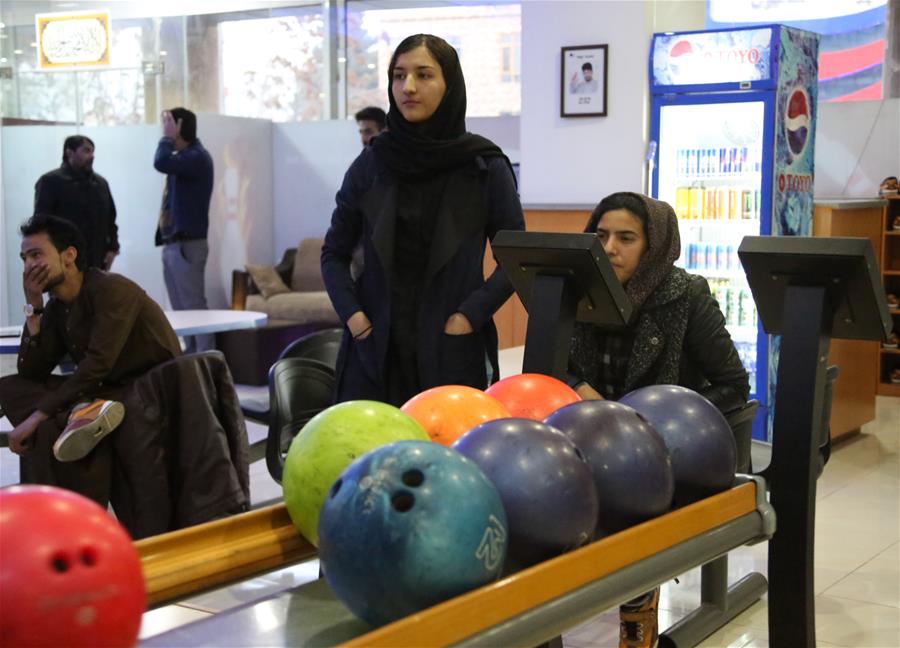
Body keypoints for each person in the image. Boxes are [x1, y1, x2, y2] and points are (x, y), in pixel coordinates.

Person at [566, 192, 750, 648]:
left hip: (664, 451)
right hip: (589, 438)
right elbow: (558, 368)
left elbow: (733, 384)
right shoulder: (577, 291)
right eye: (601, 235)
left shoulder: (685, 295)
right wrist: (576, 390)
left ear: (655, 246)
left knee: (631, 499)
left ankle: (636, 614)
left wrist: (659, 423)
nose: (609, 248)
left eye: (626, 238)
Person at [321, 33, 525, 407]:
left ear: (450, 84)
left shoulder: (484, 165)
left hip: (451, 344)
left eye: (424, 75)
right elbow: (333, 253)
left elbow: (517, 259)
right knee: (372, 459)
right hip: (376, 347)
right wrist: (355, 318)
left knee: (450, 453)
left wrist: (469, 316)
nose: (408, 87)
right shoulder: (372, 163)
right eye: (398, 76)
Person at [0, 215, 182, 507]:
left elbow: (98, 364)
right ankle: (52, 510)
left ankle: (81, 418)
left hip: (147, 390)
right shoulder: (60, 307)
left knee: (44, 423)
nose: (28, 266)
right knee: (11, 389)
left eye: (36, 255)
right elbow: (31, 371)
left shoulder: (112, 289)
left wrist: (37, 416)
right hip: (102, 392)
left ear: (69, 255)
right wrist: (33, 307)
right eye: (24, 258)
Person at [154, 107, 215, 353]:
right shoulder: (184, 158)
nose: (165, 128)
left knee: (195, 310)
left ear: (180, 126)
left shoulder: (197, 157)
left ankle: (208, 365)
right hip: (174, 244)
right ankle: (190, 365)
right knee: (182, 313)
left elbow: (161, 161)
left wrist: (167, 138)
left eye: (169, 124)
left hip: (188, 246)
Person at [34, 135, 120, 270]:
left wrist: (113, 249)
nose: (92, 156)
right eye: (86, 151)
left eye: (92, 151)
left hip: (97, 262)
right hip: (64, 262)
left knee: (98, 291)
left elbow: (110, 220)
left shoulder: (101, 184)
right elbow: (41, 223)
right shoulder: (50, 182)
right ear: (69, 153)